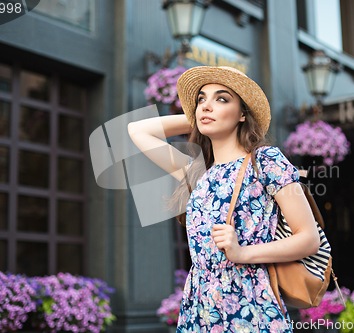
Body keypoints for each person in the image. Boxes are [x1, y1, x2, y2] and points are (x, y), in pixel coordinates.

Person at [128, 66, 320, 332]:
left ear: (243, 114)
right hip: (198, 308)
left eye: (222, 99)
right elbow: (137, 131)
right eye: (201, 99)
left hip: (249, 304)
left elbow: (309, 239)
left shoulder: (265, 161)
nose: (207, 106)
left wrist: (242, 252)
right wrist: (199, 116)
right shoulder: (196, 171)